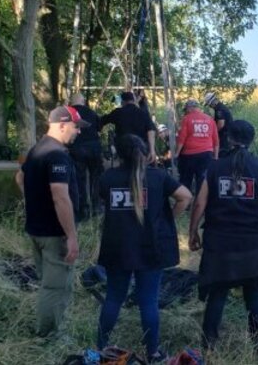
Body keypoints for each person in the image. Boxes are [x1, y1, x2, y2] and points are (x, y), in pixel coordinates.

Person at [188, 120, 258, 353]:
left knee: (218, 292)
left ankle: (209, 346)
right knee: (254, 294)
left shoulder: (213, 168)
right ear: (251, 140)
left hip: (220, 242)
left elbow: (199, 203)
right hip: (254, 243)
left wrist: (192, 231)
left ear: (229, 139)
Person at [96, 134, 192, 362]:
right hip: (150, 248)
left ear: (118, 154)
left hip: (117, 247)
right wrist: (167, 219)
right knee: (148, 301)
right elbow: (185, 196)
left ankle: (100, 347)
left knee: (113, 298)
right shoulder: (158, 176)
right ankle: (153, 352)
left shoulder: (107, 178)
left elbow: (104, 204)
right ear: (144, 153)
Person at [14, 106, 89, 337]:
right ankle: (49, 336)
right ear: (62, 125)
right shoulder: (57, 155)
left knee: (48, 283)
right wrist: (72, 237)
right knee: (55, 288)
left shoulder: (38, 149)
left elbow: (19, 177)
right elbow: (60, 196)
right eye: (76, 127)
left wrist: (36, 201)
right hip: (55, 234)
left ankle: (49, 329)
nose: (78, 132)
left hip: (36, 229)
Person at [70, 93, 103, 220]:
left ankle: (82, 209)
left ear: (72, 102)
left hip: (77, 149)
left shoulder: (69, 112)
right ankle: (96, 206)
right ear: (83, 101)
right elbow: (99, 127)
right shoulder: (92, 113)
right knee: (96, 178)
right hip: (94, 149)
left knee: (79, 179)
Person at [176, 99, 219, 196]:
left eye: (186, 110)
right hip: (206, 154)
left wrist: (177, 153)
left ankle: (186, 202)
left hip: (189, 155)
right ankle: (201, 203)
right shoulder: (210, 119)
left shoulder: (187, 119)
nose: (185, 112)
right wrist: (215, 157)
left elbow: (182, 138)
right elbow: (216, 140)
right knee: (202, 180)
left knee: (186, 179)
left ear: (189, 108)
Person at [100, 91, 157, 164]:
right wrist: (152, 150)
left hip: (124, 148)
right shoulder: (143, 113)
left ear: (123, 101)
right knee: (140, 169)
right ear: (133, 100)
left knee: (124, 170)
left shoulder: (118, 112)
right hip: (140, 148)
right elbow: (151, 130)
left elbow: (103, 120)